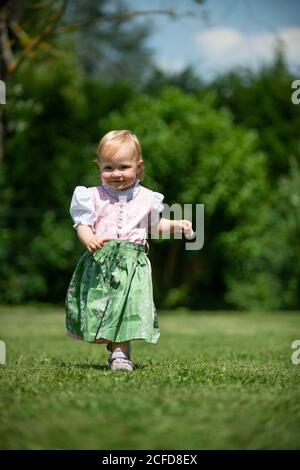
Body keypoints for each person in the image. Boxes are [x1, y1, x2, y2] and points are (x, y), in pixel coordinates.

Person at [65, 130, 193, 372]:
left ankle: (121, 354)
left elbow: (154, 227)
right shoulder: (91, 196)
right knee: (102, 308)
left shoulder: (147, 199)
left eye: (123, 167)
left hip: (133, 265)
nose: (116, 174)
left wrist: (176, 225)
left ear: (139, 168)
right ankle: (112, 343)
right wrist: (89, 238)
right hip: (102, 263)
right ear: (99, 167)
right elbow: (82, 224)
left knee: (128, 308)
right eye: (108, 167)